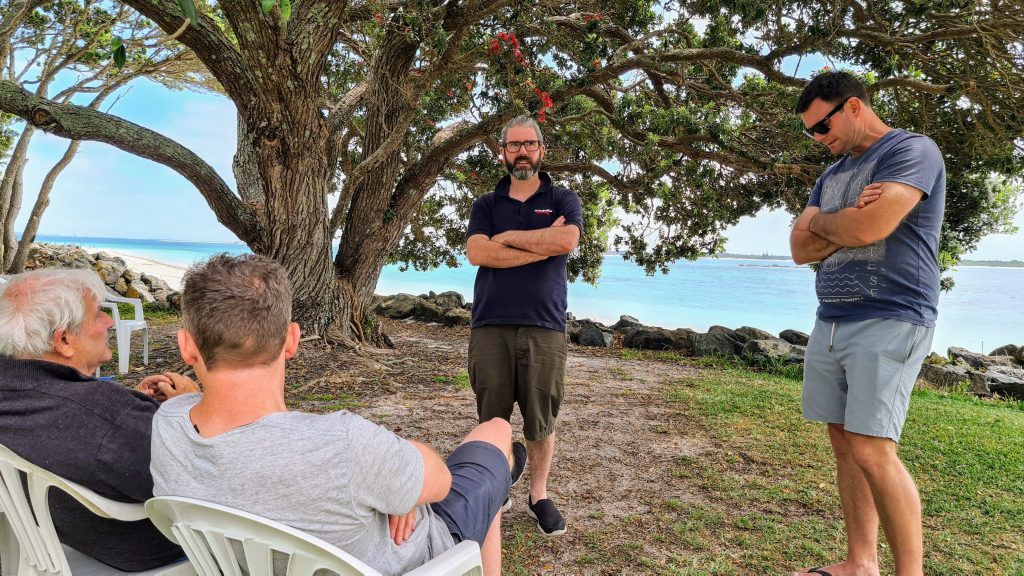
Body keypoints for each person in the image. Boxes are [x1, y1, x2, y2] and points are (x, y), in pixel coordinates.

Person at [149, 254, 523, 576]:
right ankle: (502, 484)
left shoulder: (167, 426)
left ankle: (498, 491)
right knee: (496, 431)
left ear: (187, 346)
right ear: (292, 340)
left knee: (488, 486)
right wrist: (402, 478)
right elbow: (440, 482)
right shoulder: (345, 445)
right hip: (420, 560)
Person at [789, 71, 946, 576]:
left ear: (854, 106)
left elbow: (870, 227)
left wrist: (824, 222)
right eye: (810, 132)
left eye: (823, 126)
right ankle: (860, 562)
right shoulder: (831, 175)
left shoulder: (911, 151)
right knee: (843, 441)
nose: (818, 138)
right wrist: (843, 221)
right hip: (832, 319)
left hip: (891, 315)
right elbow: (799, 248)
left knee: (872, 447)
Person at [0, 268, 199, 571]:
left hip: (60, 534)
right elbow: (199, 475)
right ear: (64, 340)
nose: (109, 321)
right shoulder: (108, 417)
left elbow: (84, 428)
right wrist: (190, 406)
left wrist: (130, 402)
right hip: (146, 549)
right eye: (97, 315)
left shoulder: (18, 392)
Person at [465, 115, 583, 536]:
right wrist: (539, 244)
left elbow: (566, 240)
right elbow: (479, 253)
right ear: (502, 152)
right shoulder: (486, 204)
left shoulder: (563, 198)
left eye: (529, 144)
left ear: (541, 150)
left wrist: (506, 237)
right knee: (492, 420)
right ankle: (497, 488)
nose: (522, 152)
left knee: (540, 420)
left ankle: (539, 494)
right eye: (513, 145)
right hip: (490, 326)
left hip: (544, 327)